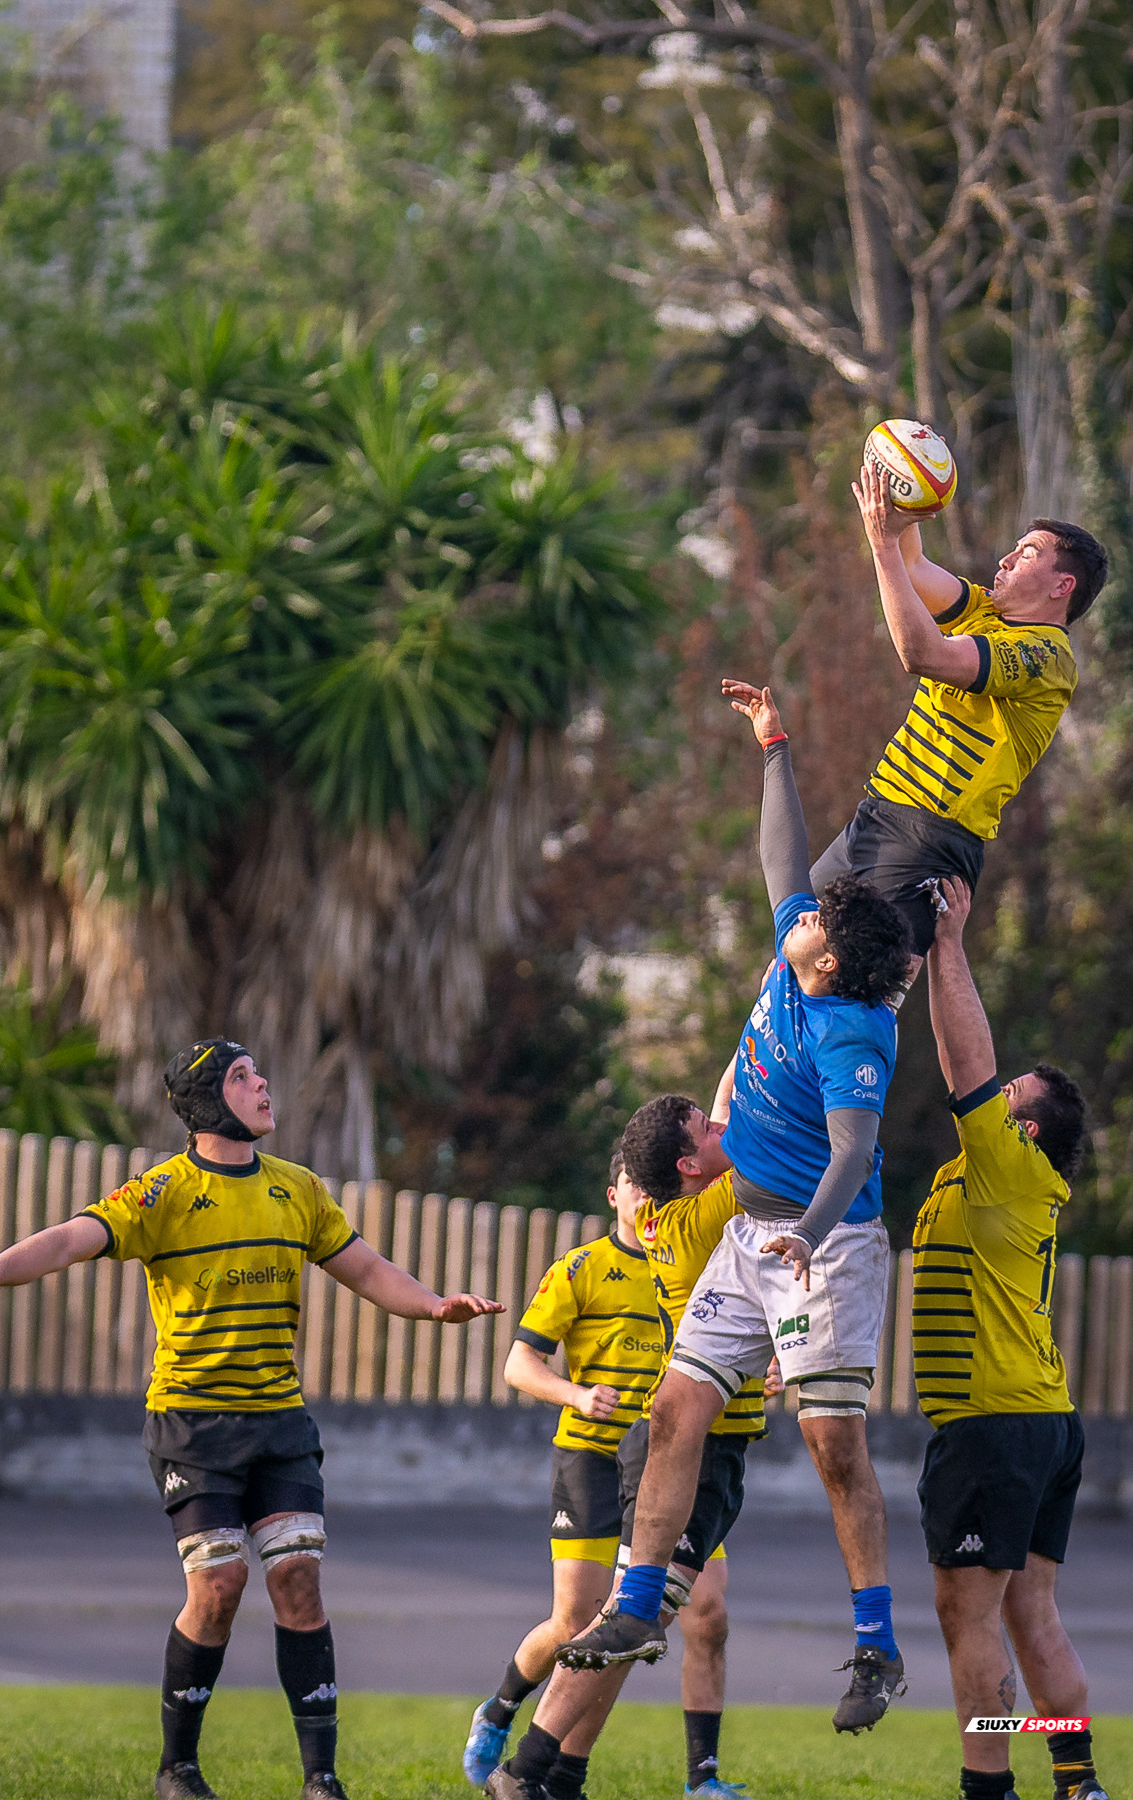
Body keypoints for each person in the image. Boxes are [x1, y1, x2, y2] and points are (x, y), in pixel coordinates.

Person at [0, 1037, 502, 1800]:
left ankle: (322, 1780)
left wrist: (434, 1305)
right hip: (192, 1427)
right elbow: (75, 1237)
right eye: (243, 1077)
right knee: (219, 1586)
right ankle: (177, 1769)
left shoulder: (299, 1189)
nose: (264, 1083)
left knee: (299, 1580)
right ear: (209, 1103)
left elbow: (368, 1270)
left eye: (259, 1072)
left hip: (279, 1423)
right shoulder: (163, 1192)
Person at [560, 681, 914, 1736]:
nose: (795, 916)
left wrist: (804, 1234)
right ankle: (633, 1608)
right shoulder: (802, 945)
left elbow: (852, 1151)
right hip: (755, 1239)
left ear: (835, 967)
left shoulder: (851, 1030)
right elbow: (779, 857)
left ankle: (874, 1646)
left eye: (809, 928)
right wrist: (773, 745)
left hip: (827, 1243)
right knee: (675, 1408)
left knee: (830, 1443)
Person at [485, 1098, 769, 1800]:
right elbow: (773, 1139)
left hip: (700, 1446)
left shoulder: (696, 1217)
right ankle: (524, 1764)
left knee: (666, 1616)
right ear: (686, 1168)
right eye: (707, 1129)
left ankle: (557, 1775)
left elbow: (734, 1109)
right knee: (609, 1620)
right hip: (653, 1453)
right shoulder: (695, 1220)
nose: (721, 1129)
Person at [916, 879, 1107, 1800]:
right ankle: (1078, 1780)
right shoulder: (989, 1177)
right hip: (1039, 1420)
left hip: (994, 1425)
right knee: (1033, 1615)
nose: (993, 1101)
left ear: (1025, 1128)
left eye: (1008, 1098)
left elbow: (966, 1059)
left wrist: (948, 945)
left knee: (970, 1616)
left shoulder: (1008, 1165)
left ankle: (987, 1787)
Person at [810, 464, 1108, 958]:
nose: (1008, 558)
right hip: (877, 810)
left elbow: (922, 654)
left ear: (1062, 587)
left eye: (1028, 552)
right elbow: (913, 567)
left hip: (930, 839)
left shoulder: (1045, 656)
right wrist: (910, 492)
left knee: (851, 984)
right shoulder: (984, 609)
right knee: (789, 956)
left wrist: (883, 545)